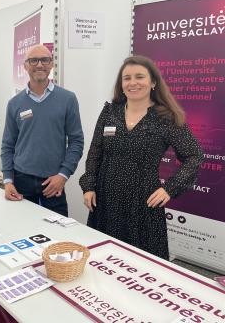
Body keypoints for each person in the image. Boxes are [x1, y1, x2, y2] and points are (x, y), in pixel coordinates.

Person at [79, 55, 203, 260]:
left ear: (153, 82)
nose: (132, 82)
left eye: (139, 77)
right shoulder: (110, 112)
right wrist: (89, 186)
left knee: (141, 264)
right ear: (121, 83)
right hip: (105, 200)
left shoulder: (166, 117)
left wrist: (169, 189)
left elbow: (194, 155)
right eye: (126, 78)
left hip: (143, 204)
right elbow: (95, 151)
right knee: (103, 260)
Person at [1, 44, 84, 216]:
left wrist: (63, 175)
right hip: (21, 180)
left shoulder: (68, 99)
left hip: (54, 181)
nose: (39, 65)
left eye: (45, 60)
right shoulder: (15, 103)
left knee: (58, 236)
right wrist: (8, 181)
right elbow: (8, 145)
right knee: (22, 232)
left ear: (51, 63)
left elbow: (76, 141)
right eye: (33, 60)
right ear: (25, 66)